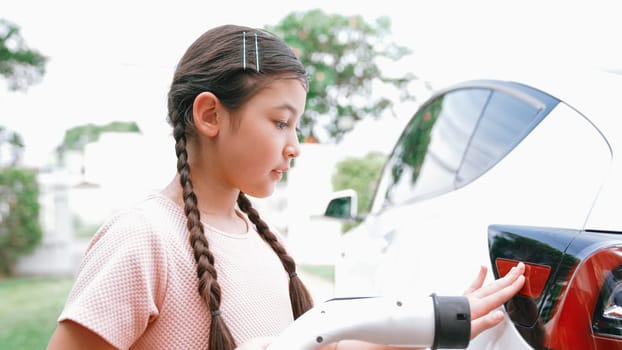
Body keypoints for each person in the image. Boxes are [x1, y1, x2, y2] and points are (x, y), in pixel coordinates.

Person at [46, 24, 525, 350]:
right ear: (210, 115)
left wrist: (440, 320)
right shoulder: (143, 239)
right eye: (280, 123)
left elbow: (322, 342)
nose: (294, 146)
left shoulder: (257, 240)